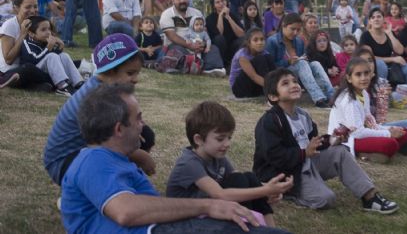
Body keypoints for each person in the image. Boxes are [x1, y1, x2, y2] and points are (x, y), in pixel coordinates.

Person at [60, 84, 288, 234]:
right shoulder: (92, 159)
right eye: (138, 118)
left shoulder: (114, 160)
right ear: (119, 129)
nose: (143, 125)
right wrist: (209, 206)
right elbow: (126, 211)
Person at [253, 68, 399, 214]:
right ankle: (287, 192)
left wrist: (333, 140)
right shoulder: (270, 121)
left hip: (305, 163)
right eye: (286, 83)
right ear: (273, 96)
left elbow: (314, 144)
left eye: (295, 81)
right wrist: (304, 153)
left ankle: (370, 198)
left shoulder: (303, 114)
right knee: (326, 199)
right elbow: (273, 156)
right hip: (284, 174)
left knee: (340, 152)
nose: (293, 85)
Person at [43, 34, 156, 189]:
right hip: (64, 164)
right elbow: (105, 141)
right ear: (109, 71)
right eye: (130, 73)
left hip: (82, 154)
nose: (136, 79)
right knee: (126, 142)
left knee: (144, 134)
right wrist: (140, 156)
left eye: (137, 73)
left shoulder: (108, 87)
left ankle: (117, 178)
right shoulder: (98, 97)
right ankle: (78, 192)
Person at [165, 101, 294, 228]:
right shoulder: (189, 163)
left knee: (248, 177)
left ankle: (269, 229)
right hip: (183, 219)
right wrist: (264, 190)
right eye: (220, 139)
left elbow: (241, 180)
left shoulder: (217, 157)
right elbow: (220, 194)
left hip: (206, 210)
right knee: (240, 181)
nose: (227, 144)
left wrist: (271, 189)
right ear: (198, 139)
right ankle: (247, 227)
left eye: (229, 137)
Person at [328, 58, 407, 162]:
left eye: (366, 73)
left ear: (371, 75)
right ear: (349, 78)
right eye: (358, 74)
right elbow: (357, 133)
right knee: (391, 144)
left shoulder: (364, 94)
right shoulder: (349, 101)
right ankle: (366, 152)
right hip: (347, 140)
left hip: (361, 133)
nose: (363, 78)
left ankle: (371, 152)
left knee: (404, 131)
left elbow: (370, 123)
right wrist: (388, 134)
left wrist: (389, 129)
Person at [266, 13, 334, 108]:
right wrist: (288, 62)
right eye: (292, 29)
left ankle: (332, 96)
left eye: (298, 30)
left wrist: (304, 59)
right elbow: (270, 67)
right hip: (281, 75)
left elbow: (303, 61)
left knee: (315, 64)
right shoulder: (272, 41)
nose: (295, 33)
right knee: (301, 63)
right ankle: (319, 99)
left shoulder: (298, 41)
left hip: (298, 74)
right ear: (283, 25)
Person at [159, 0, 226, 77]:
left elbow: (204, 31)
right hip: (178, 45)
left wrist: (203, 44)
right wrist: (190, 45)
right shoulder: (167, 14)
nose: (182, 1)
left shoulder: (197, 13)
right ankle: (196, 66)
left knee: (212, 48)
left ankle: (211, 68)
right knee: (176, 51)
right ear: (173, 1)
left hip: (198, 45)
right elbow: (172, 36)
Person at [0, 0, 53, 90]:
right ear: (17, 8)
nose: (33, 11)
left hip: (33, 66)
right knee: (28, 68)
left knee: (61, 59)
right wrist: (23, 34)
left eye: (35, 6)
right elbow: (8, 60)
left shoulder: (36, 23)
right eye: (28, 7)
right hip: (11, 71)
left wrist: (53, 41)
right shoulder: (9, 25)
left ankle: (36, 86)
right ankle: (54, 82)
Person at [19, 15, 83, 96]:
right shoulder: (27, 43)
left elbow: (56, 59)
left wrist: (59, 47)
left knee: (64, 55)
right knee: (51, 56)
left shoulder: (44, 41)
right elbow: (34, 60)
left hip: (46, 71)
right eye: (43, 30)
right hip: (33, 71)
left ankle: (78, 83)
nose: (48, 32)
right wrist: (48, 48)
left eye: (49, 29)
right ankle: (61, 87)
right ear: (31, 34)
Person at [359, 8, 407, 87]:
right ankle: (382, 95)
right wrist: (393, 59)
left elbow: (400, 51)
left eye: (379, 17)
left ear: (384, 19)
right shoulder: (366, 35)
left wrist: (390, 33)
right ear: (370, 21)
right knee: (380, 64)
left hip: (392, 67)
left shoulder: (388, 32)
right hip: (374, 67)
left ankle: (404, 95)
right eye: (373, 17)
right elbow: (368, 58)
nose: (376, 19)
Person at [229, 28, 276, 98]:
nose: (260, 42)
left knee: (268, 57)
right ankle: (271, 90)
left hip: (255, 87)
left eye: (262, 39)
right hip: (240, 89)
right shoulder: (242, 55)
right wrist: (273, 88)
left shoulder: (264, 53)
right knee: (260, 59)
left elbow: (272, 71)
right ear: (248, 42)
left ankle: (271, 89)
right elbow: (254, 76)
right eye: (255, 40)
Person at [207, 0, 245, 71]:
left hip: (232, 47)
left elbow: (241, 34)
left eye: (222, 1)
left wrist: (228, 18)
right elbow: (219, 33)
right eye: (218, 2)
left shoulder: (233, 15)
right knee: (220, 38)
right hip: (219, 48)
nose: (221, 4)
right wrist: (220, 15)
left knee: (243, 39)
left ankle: (233, 65)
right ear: (214, 5)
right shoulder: (210, 18)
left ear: (226, 2)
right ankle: (222, 64)